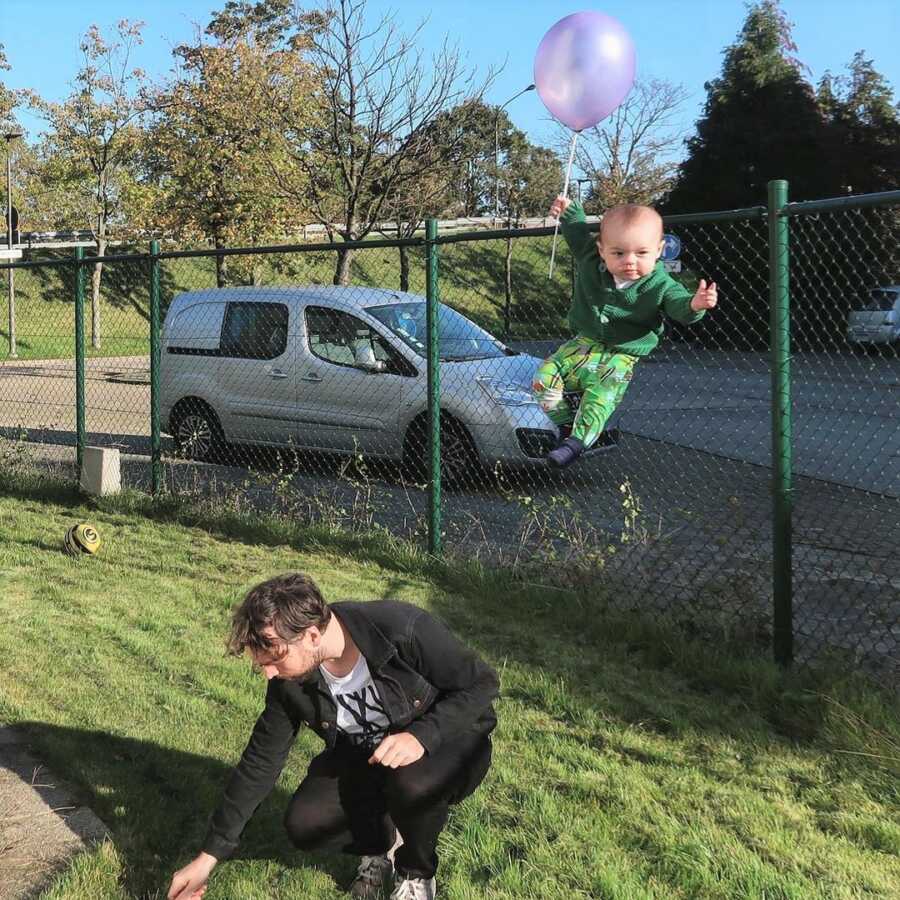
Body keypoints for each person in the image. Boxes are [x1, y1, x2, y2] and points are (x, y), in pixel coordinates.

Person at [167, 573, 498, 900]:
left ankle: (415, 872)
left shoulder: (399, 627)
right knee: (305, 824)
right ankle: (379, 846)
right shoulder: (288, 683)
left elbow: (483, 683)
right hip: (368, 756)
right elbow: (261, 760)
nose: (269, 672)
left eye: (275, 658)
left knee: (413, 784)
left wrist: (421, 736)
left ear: (312, 635)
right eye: (262, 663)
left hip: (450, 743)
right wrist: (208, 858)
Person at [534, 195, 718, 469]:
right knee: (543, 377)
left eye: (641, 253)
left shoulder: (661, 284)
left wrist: (695, 304)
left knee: (601, 394)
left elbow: (679, 305)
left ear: (659, 250)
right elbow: (575, 233)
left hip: (622, 354)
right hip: (583, 342)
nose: (630, 261)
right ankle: (564, 428)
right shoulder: (589, 260)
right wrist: (570, 211)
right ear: (601, 250)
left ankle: (577, 442)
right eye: (618, 253)